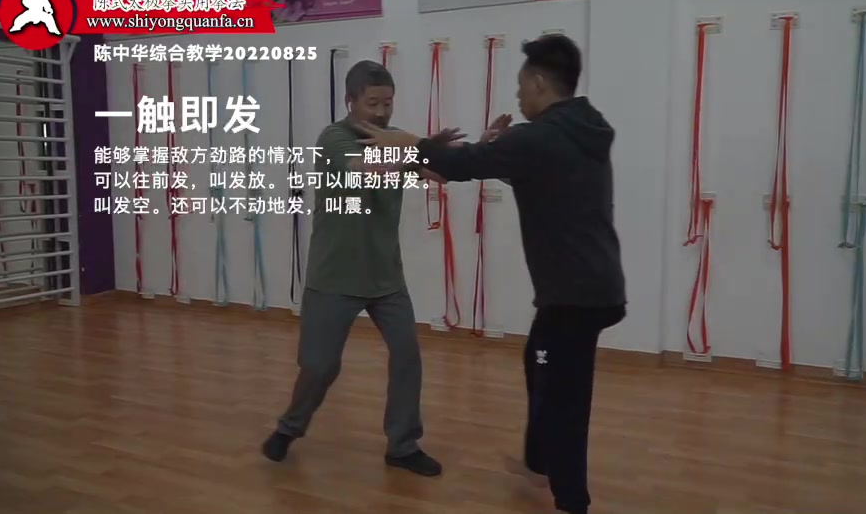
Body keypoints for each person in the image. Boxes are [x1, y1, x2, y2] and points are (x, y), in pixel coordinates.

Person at [356, 34, 627, 514]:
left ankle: (572, 500)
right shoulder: (583, 127)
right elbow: (531, 170)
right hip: (593, 284)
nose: (518, 97)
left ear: (539, 82)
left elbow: (465, 165)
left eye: (521, 86)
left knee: (564, 398)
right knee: (538, 361)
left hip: (574, 295)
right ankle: (539, 465)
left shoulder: (539, 137)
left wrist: (412, 145)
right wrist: (498, 149)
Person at [261, 60, 453, 477]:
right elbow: (370, 167)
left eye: (388, 103)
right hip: (334, 277)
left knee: (407, 354)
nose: (382, 112)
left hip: (386, 278)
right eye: (373, 103)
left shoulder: (394, 139)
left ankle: (402, 445)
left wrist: (468, 153)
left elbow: (438, 174)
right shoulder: (333, 138)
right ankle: (289, 427)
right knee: (319, 367)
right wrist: (415, 148)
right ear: (350, 101)